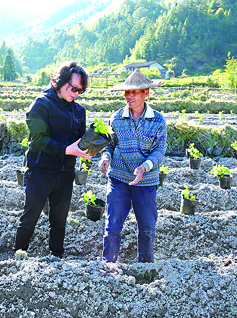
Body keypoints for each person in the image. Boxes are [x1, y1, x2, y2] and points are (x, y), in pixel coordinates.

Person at [13, 61, 90, 258]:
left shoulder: (79, 111)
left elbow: (80, 141)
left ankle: (57, 258)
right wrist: (66, 150)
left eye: (80, 91)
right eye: (73, 88)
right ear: (61, 81)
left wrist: (90, 147)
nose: (76, 93)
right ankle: (18, 255)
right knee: (30, 216)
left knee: (59, 220)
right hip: (41, 171)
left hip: (65, 174)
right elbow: (38, 141)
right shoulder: (41, 104)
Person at [98, 69, 167, 263]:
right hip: (119, 178)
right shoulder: (116, 118)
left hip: (146, 181)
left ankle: (145, 266)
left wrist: (144, 167)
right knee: (112, 224)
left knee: (146, 227)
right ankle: (108, 265)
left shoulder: (158, 120)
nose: (129, 96)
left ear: (146, 93)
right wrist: (105, 157)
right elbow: (110, 144)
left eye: (134, 92)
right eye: (127, 92)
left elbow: (159, 151)